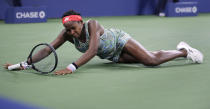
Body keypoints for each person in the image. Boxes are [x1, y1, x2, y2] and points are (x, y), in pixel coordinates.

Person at [4, 10, 204, 75]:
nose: (71, 33)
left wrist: (71, 67)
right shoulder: (66, 35)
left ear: (81, 22)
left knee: (150, 61)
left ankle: (184, 52)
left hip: (119, 41)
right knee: (146, 58)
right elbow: (47, 50)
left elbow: (91, 51)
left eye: (74, 28)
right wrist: (23, 63)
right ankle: (175, 50)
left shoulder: (93, 24)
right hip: (113, 56)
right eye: (68, 30)